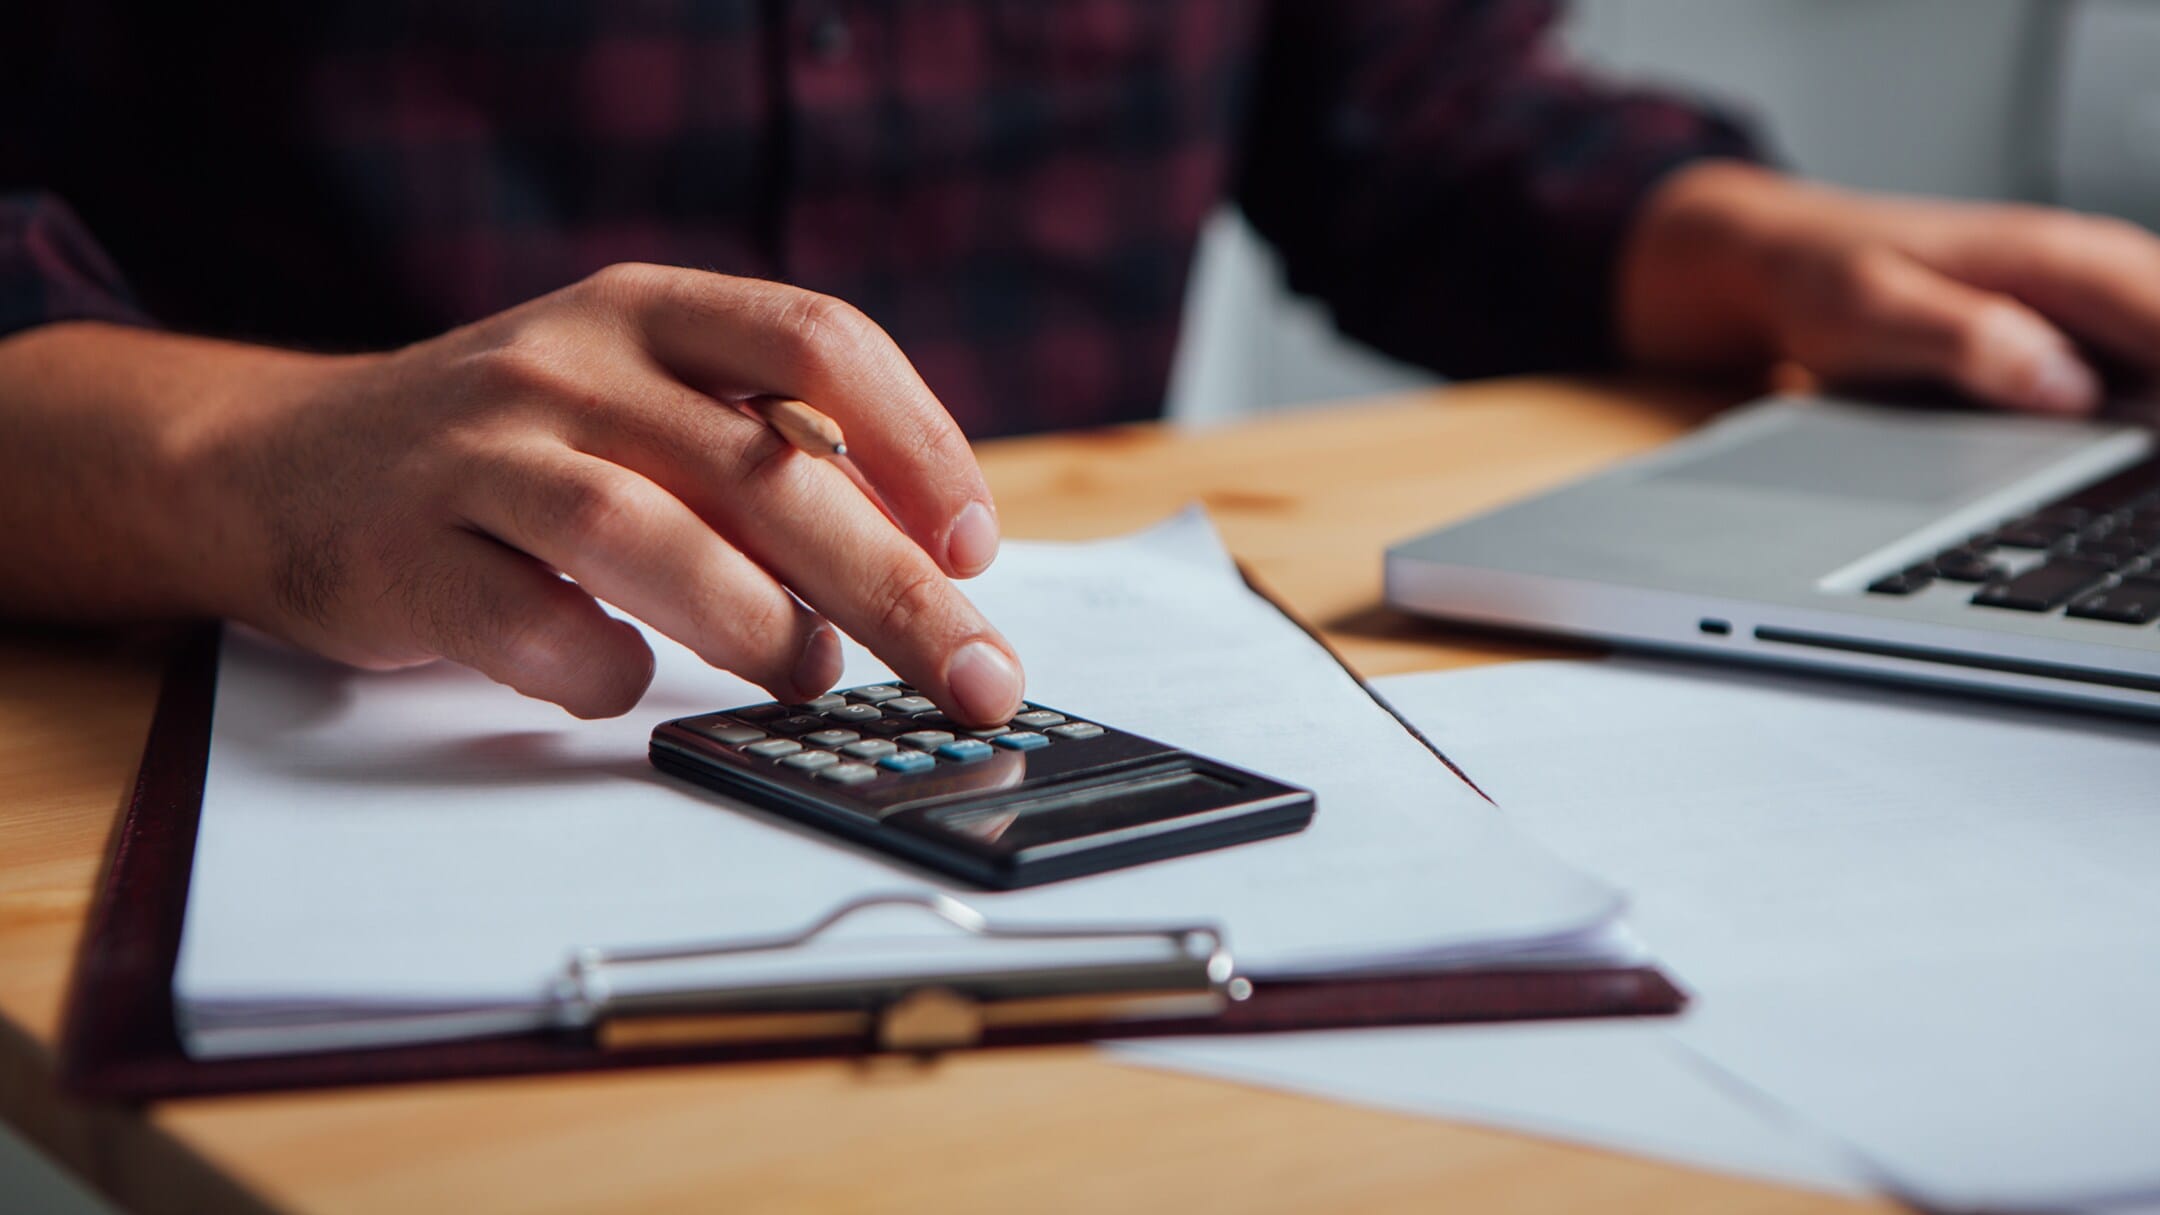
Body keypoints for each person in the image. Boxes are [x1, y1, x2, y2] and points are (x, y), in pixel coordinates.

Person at [4, 2, 2157, 726]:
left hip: (1053, 759)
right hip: (229, 696)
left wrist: (1759, 243)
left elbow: (1402, 114)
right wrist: (251, 444)